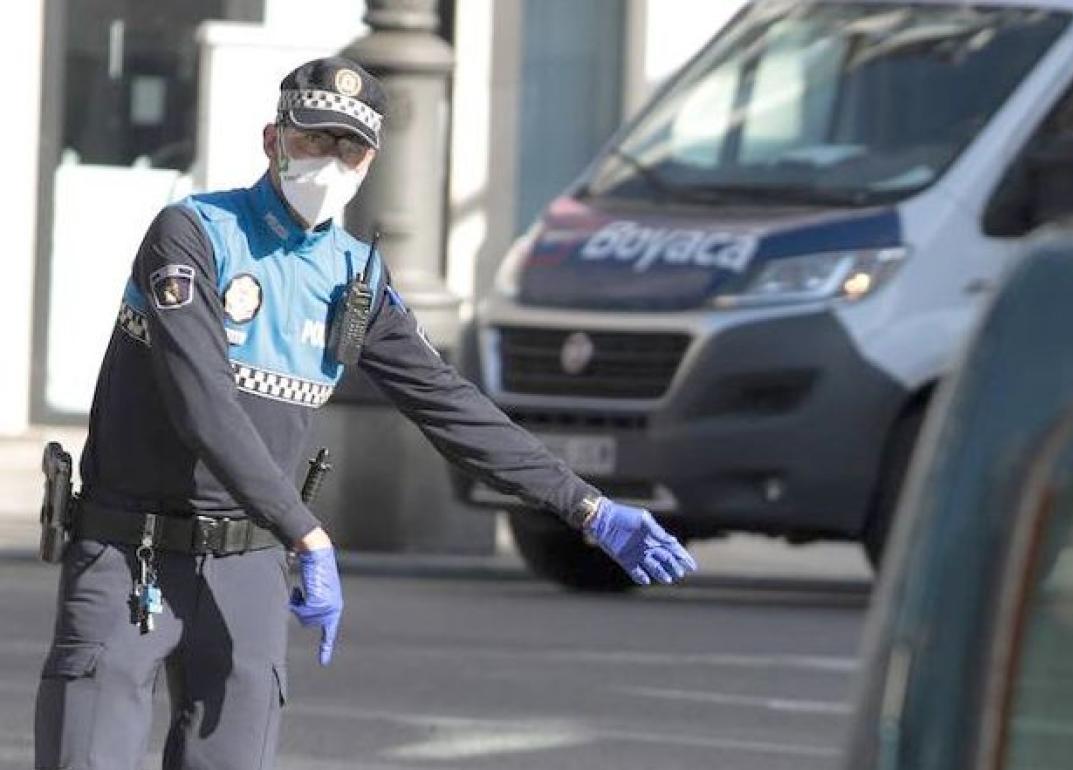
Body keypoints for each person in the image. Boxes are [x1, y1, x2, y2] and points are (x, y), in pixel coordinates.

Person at [34, 56, 697, 770]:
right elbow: (203, 404)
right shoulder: (193, 234)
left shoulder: (354, 278)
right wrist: (307, 533)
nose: (330, 161)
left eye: (348, 147)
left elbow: (449, 405)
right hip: (131, 550)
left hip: (246, 563)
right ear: (273, 139)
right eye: (315, 139)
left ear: (370, 160)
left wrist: (586, 508)